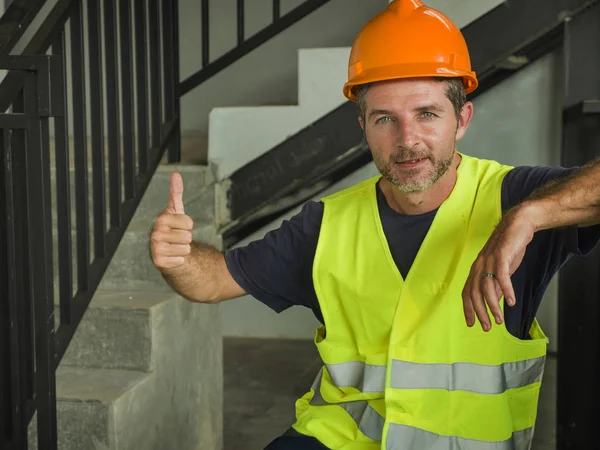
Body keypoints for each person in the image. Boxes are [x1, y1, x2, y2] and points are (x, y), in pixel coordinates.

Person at [150, 0, 600, 448]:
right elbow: (210, 282)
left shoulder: (517, 195)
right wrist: (179, 258)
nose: (407, 141)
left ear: (461, 119)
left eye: (426, 114)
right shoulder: (325, 224)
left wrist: (529, 216)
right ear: (363, 125)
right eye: (386, 119)